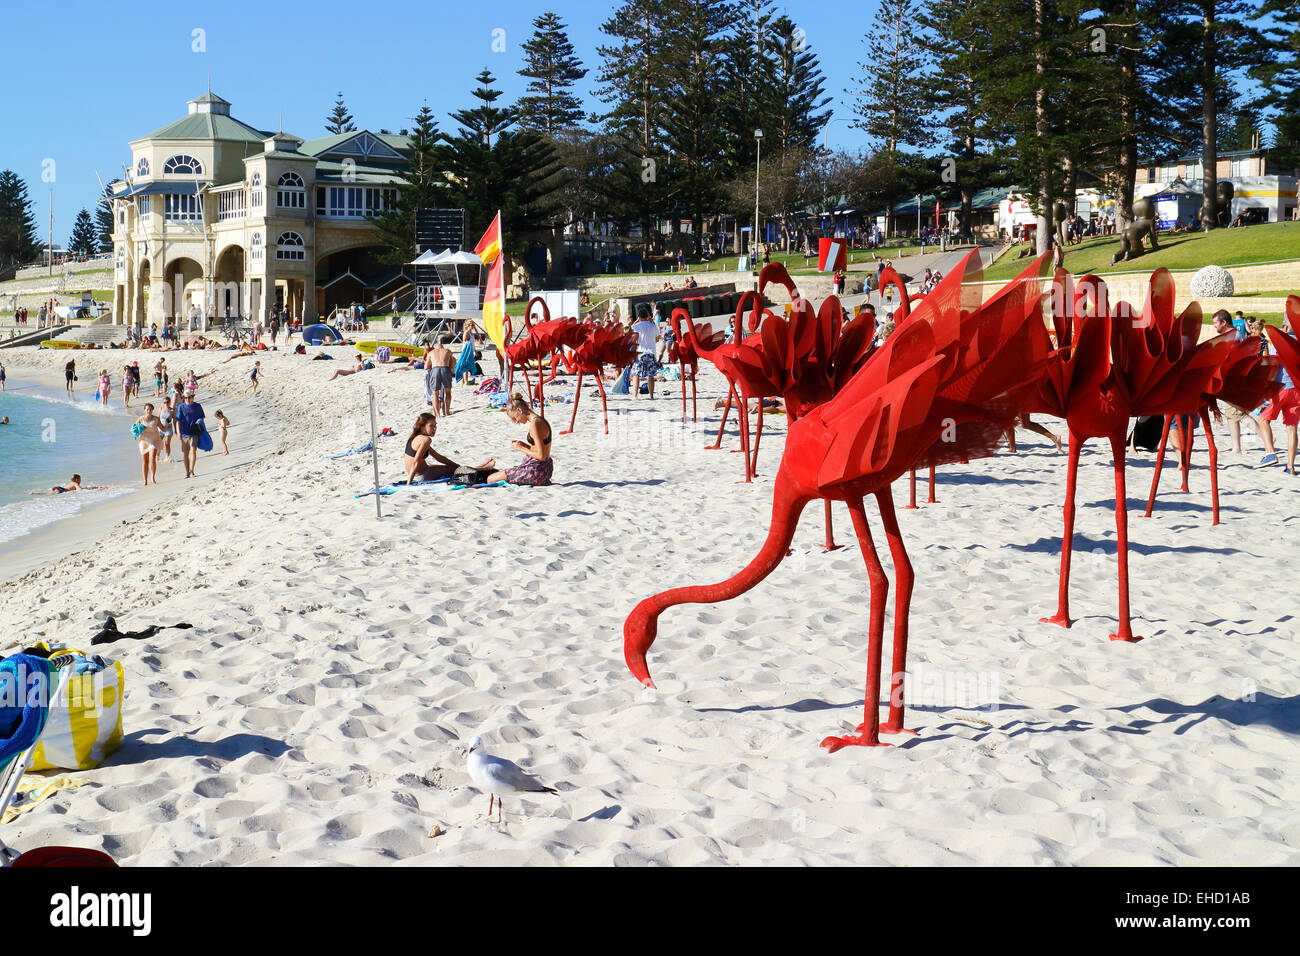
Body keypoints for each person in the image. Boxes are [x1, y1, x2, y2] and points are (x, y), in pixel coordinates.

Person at [1256, 317, 1299, 474]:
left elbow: (1272, 367)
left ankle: (1270, 453)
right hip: (1297, 391)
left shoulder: (1280, 343)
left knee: (1263, 419)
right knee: (1292, 428)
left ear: (1286, 328)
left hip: (1281, 389)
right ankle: (1291, 467)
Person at [403, 412, 494, 484]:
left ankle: (479, 467)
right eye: (431, 426)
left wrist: (455, 465)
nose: (435, 429)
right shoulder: (425, 440)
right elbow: (415, 462)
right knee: (455, 470)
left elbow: (438, 457)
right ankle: (485, 468)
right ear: (422, 426)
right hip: (421, 476)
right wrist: (408, 483)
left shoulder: (414, 437)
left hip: (419, 473)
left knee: (454, 468)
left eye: (435, 425)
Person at [487, 393, 554, 486]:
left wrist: (520, 448)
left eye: (515, 418)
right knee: (497, 474)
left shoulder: (535, 424)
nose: (517, 421)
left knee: (490, 479)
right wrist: (524, 445)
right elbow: (542, 449)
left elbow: (541, 456)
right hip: (545, 470)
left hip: (536, 472)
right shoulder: (540, 420)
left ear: (519, 410)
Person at [629, 303, 660, 399]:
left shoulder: (636, 327)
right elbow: (657, 338)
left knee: (636, 374)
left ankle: (635, 395)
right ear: (648, 316)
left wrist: (636, 321)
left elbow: (632, 338)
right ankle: (651, 395)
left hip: (640, 352)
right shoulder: (653, 326)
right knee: (650, 376)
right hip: (651, 352)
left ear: (639, 317)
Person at [175, 392, 206, 479]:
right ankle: (187, 472)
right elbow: (177, 420)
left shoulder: (198, 406)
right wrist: (178, 432)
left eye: (189, 397)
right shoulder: (181, 407)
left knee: (193, 451)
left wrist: (199, 422)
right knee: (185, 453)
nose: (187, 399)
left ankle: (192, 471)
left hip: (194, 432)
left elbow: (202, 418)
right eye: (185, 398)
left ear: (193, 397)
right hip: (184, 433)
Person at [425, 336, 456, 415]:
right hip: (445, 369)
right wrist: (451, 372)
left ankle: (438, 414)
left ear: (435, 347)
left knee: (435, 393)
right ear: (443, 347)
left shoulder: (431, 353)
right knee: (448, 392)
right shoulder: (448, 351)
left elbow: (426, 367)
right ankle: (447, 412)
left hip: (435, 369)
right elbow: (452, 366)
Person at [133, 404, 163, 486]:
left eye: (150, 409)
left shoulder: (156, 419)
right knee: (145, 461)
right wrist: (139, 429)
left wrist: (168, 422)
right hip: (143, 441)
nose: (148, 411)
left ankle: (152, 478)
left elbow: (163, 428)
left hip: (154, 441)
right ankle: (145, 480)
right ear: (144, 410)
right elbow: (133, 429)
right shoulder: (140, 419)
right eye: (147, 409)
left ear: (152, 410)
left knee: (152, 458)